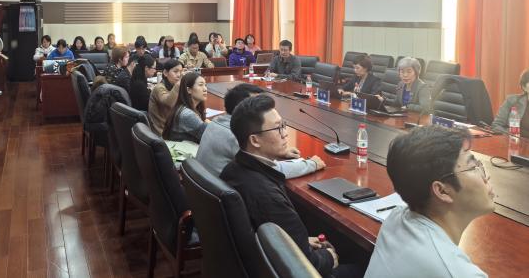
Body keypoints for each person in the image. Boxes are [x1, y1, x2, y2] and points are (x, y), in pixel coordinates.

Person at [220, 95, 340, 278]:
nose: (285, 133)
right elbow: (307, 266)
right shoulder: (267, 196)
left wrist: (299, 242)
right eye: (278, 128)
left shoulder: (233, 168)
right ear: (255, 140)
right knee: (361, 263)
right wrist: (329, 257)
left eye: (283, 125)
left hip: (254, 261)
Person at [364, 126, 494, 278]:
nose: (486, 177)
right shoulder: (458, 273)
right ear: (442, 191)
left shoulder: (395, 218)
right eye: (473, 167)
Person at [196, 83, 325, 178]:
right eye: (256, 103)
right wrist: (311, 164)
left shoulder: (216, 122)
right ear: (243, 108)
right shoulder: (235, 135)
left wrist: (278, 152)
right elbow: (273, 171)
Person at [162, 72, 208, 143]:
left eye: (205, 85)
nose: (205, 89)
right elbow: (210, 136)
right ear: (189, 90)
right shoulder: (187, 114)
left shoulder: (185, 107)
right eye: (200, 85)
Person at [148, 59, 183, 136]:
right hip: (162, 132)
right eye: (175, 71)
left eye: (181, 71)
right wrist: (179, 84)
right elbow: (169, 103)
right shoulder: (159, 88)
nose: (179, 75)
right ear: (165, 73)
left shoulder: (173, 86)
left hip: (171, 126)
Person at [492, 69, 529, 137]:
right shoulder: (512, 101)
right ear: (524, 87)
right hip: (515, 141)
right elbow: (496, 125)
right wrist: (512, 134)